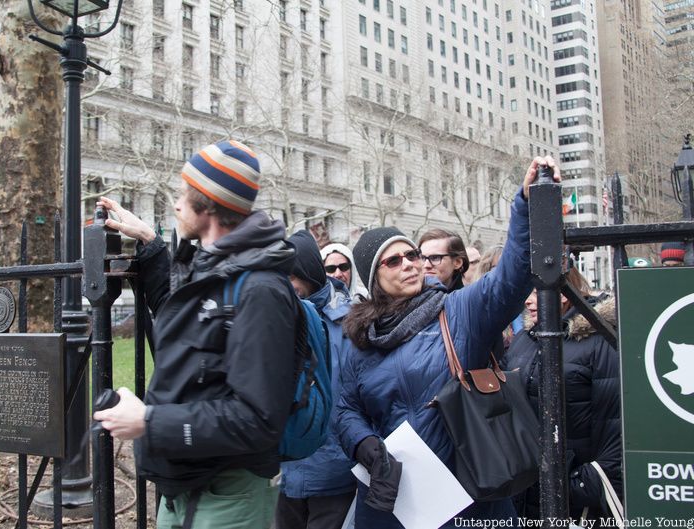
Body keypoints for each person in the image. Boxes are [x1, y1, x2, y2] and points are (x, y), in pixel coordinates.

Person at [336, 156, 560, 528]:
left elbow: (512, 277)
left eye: (412, 254)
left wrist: (525, 204)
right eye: (393, 261)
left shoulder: (458, 310)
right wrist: (364, 446)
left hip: (469, 494)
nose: (410, 263)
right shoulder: (361, 337)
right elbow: (345, 408)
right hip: (395, 499)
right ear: (374, 277)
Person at [93, 140, 299, 529]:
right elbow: (179, 314)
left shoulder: (260, 290)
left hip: (228, 495)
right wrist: (150, 241)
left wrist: (149, 422)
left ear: (207, 204)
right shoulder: (211, 268)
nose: (175, 203)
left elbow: (258, 419)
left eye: (182, 194)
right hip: (185, 489)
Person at [503, 267, 621, 525]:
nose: (528, 300)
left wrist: (577, 484)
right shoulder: (525, 339)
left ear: (562, 293)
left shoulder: (600, 341)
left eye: (533, 292)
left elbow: (616, 424)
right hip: (528, 492)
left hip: (576, 500)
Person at [277, 230, 357, 529]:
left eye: (289, 276)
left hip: (333, 474)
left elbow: (354, 397)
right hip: (281, 474)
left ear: (307, 272)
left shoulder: (350, 323)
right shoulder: (275, 313)